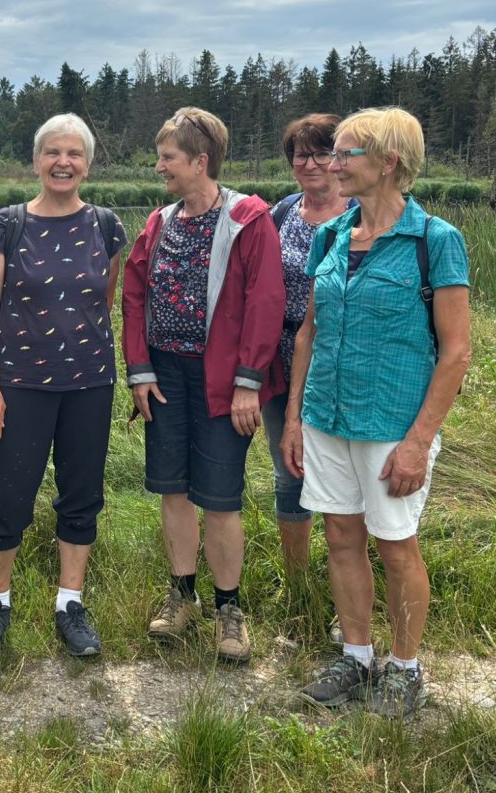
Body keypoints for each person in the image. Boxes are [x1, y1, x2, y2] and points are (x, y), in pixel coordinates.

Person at [284, 107, 470, 719]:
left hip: (392, 424)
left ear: (389, 162)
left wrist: (418, 442)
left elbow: (456, 352)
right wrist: (294, 419)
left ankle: (405, 668)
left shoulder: (434, 241)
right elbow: (309, 333)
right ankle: (357, 656)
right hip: (326, 417)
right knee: (341, 537)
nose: (331, 164)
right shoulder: (332, 236)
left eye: (345, 153)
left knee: (395, 546)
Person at [122, 107, 284, 664]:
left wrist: (248, 383)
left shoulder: (247, 219)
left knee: (219, 496)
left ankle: (228, 610)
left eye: (168, 157)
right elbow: (134, 296)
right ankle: (182, 596)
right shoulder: (160, 222)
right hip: (165, 376)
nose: (160, 166)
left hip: (222, 380)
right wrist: (140, 370)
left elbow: (265, 302)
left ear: (200, 161)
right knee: (172, 490)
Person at [0, 113, 126, 658]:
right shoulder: (6, 224)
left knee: (81, 495)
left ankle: (70, 605)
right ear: (36, 161)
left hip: (89, 384)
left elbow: (102, 302)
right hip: (20, 384)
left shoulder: (106, 225)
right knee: (9, 493)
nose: (63, 162)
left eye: (74, 153)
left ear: (88, 164)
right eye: (53, 153)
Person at [263, 116, 355, 580]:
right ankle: (297, 579)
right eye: (302, 155)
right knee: (289, 468)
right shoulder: (280, 213)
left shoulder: (364, 213)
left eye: (322, 153)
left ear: (340, 160)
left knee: (346, 469)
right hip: (281, 357)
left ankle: (349, 571)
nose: (311, 163)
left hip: (342, 358)